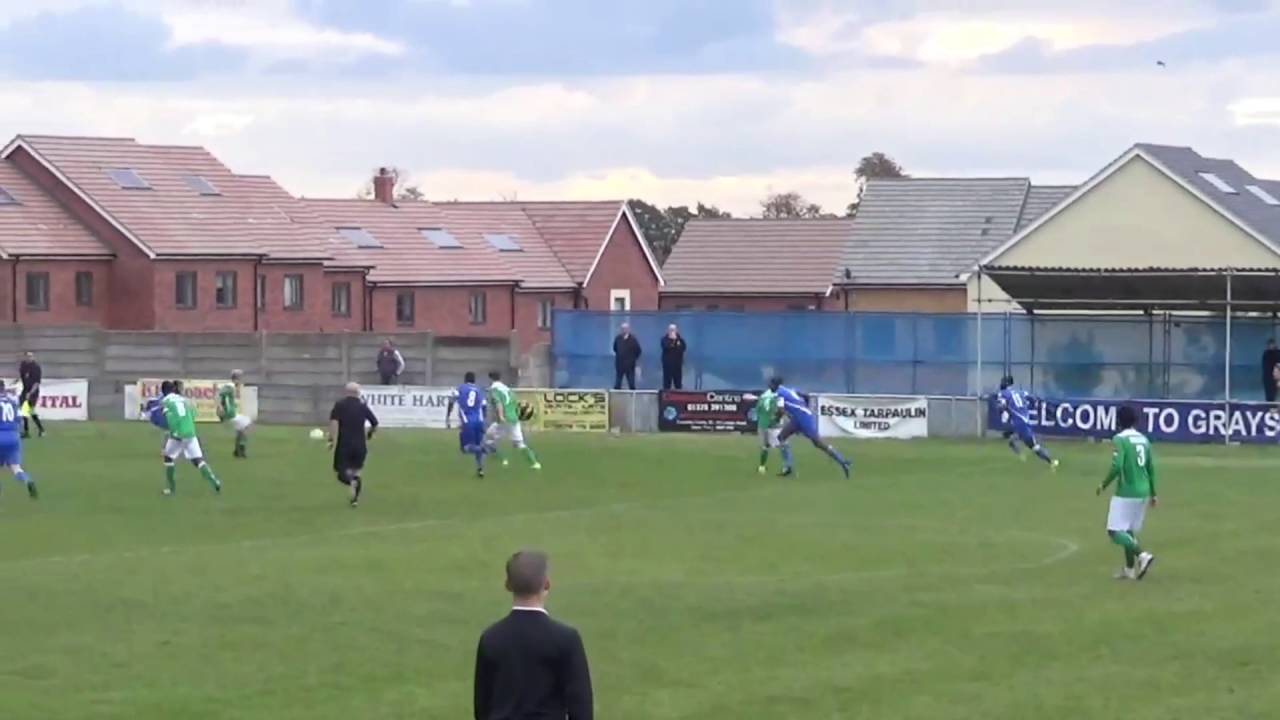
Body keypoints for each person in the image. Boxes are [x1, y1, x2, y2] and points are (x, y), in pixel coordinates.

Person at [474, 550, 593, 720]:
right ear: (546, 584)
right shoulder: (565, 639)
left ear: (508, 585)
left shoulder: (491, 638)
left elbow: (482, 705)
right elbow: (581, 706)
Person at [1097, 405, 1157, 580]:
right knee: (1128, 530)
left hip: (1127, 491)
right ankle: (1130, 570)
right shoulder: (1144, 440)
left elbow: (1117, 465)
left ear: (1118, 421)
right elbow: (1150, 468)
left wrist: (1104, 484)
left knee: (1114, 531)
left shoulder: (1120, 439)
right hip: (1143, 491)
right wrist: (1154, 493)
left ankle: (1142, 555)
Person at [771, 377, 851, 478]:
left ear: (775, 385)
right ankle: (788, 468)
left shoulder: (779, 393)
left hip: (802, 418)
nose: (769, 386)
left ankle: (842, 461)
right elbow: (806, 396)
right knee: (781, 437)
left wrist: (776, 419)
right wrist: (803, 409)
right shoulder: (790, 390)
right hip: (800, 416)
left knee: (818, 443)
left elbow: (780, 410)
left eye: (771, 384)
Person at [161, 384, 221, 496]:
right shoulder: (183, 399)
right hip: (191, 432)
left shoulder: (166, 401)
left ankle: (171, 488)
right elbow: (194, 413)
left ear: (163, 391)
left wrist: (173, 432)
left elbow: (170, 418)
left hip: (178, 433)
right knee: (198, 460)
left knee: (168, 457)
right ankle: (214, 481)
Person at [328, 382, 379, 508]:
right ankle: (354, 500)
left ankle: (351, 482)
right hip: (360, 444)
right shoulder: (363, 407)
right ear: (358, 393)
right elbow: (375, 423)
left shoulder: (340, 405)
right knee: (356, 472)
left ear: (346, 392)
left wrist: (331, 440)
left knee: (341, 473)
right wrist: (370, 434)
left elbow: (334, 423)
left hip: (344, 444)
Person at [996, 376, 1059, 469]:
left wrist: (1003, 411)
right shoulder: (1020, 392)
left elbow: (1001, 406)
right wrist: (1046, 407)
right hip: (1023, 421)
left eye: (1003, 382)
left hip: (1019, 423)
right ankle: (1021, 456)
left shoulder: (1003, 393)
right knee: (1010, 438)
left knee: (1034, 447)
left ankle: (1051, 462)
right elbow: (1035, 398)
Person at [485, 371, 541, 470]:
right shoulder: (507, 389)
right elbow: (515, 403)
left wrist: (501, 416)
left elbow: (498, 403)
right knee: (519, 444)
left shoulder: (494, 389)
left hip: (504, 419)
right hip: (514, 419)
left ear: (490, 379)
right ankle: (535, 463)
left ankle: (503, 460)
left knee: (488, 438)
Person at [0, 381, 38, 500]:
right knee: (16, 467)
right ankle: (28, 481)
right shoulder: (12, 401)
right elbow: (20, 419)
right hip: (13, 436)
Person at [448, 372, 489, 478]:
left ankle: (482, 450)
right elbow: (484, 406)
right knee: (477, 445)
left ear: (465, 379)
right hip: (479, 421)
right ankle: (480, 469)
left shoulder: (460, 388)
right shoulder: (480, 391)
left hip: (468, 421)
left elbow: (451, 400)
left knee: (466, 448)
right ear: (474, 380)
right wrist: (483, 420)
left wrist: (448, 415)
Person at [219, 370, 252, 459]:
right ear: (236, 379)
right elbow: (219, 395)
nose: (241, 381)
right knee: (247, 424)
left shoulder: (232, 387)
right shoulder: (230, 386)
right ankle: (240, 449)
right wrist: (220, 408)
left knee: (241, 429)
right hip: (230, 415)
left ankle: (238, 451)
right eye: (240, 378)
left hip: (231, 414)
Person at [754, 385, 782, 474]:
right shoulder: (777, 398)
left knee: (765, 446)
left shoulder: (762, 397)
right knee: (783, 445)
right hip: (773, 425)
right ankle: (787, 466)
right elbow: (779, 411)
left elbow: (757, 412)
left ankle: (762, 467)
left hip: (763, 425)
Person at [18, 351, 44, 439]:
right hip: (25, 390)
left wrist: (30, 393)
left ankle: (41, 430)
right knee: (24, 410)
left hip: (33, 391)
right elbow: (22, 377)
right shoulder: (23, 365)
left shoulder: (36, 367)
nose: (29, 358)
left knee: (29, 410)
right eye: (28, 356)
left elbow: (37, 383)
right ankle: (27, 431)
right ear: (25, 357)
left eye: (31, 356)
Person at [612, 323, 641, 390]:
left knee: (631, 384)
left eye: (625, 329)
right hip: (620, 364)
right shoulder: (618, 338)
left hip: (630, 365)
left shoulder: (633, 339)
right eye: (622, 329)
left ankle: (633, 398)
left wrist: (632, 359)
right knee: (617, 384)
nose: (624, 330)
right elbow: (615, 348)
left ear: (628, 329)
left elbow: (638, 350)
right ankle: (616, 397)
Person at [660, 324, 687, 390]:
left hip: (677, 365)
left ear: (676, 330)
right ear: (668, 330)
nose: (672, 331)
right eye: (671, 330)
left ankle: (679, 398)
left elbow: (683, 348)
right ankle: (666, 398)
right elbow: (666, 347)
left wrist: (676, 340)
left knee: (678, 384)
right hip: (668, 365)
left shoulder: (680, 340)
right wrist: (673, 341)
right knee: (667, 384)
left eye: (674, 330)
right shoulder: (664, 339)